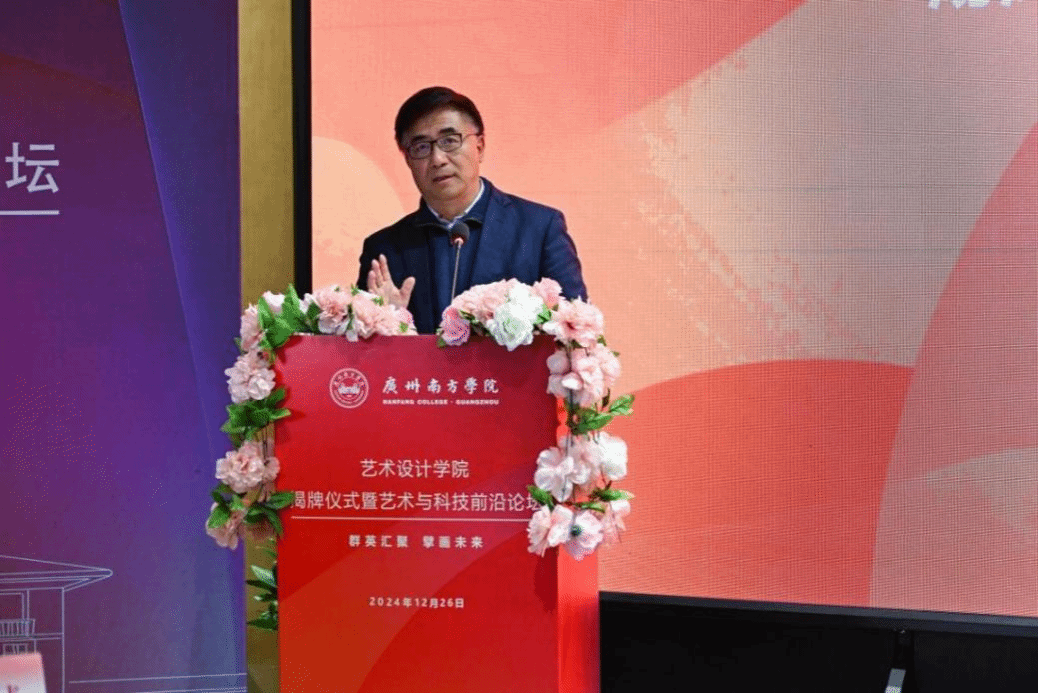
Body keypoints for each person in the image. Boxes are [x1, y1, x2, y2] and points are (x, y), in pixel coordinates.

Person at [357, 86, 587, 334]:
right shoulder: (384, 249)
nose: (437, 159)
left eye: (449, 141)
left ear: (480, 146)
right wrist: (388, 325)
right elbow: (360, 350)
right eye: (421, 147)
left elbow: (575, 331)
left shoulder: (539, 229)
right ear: (408, 160)